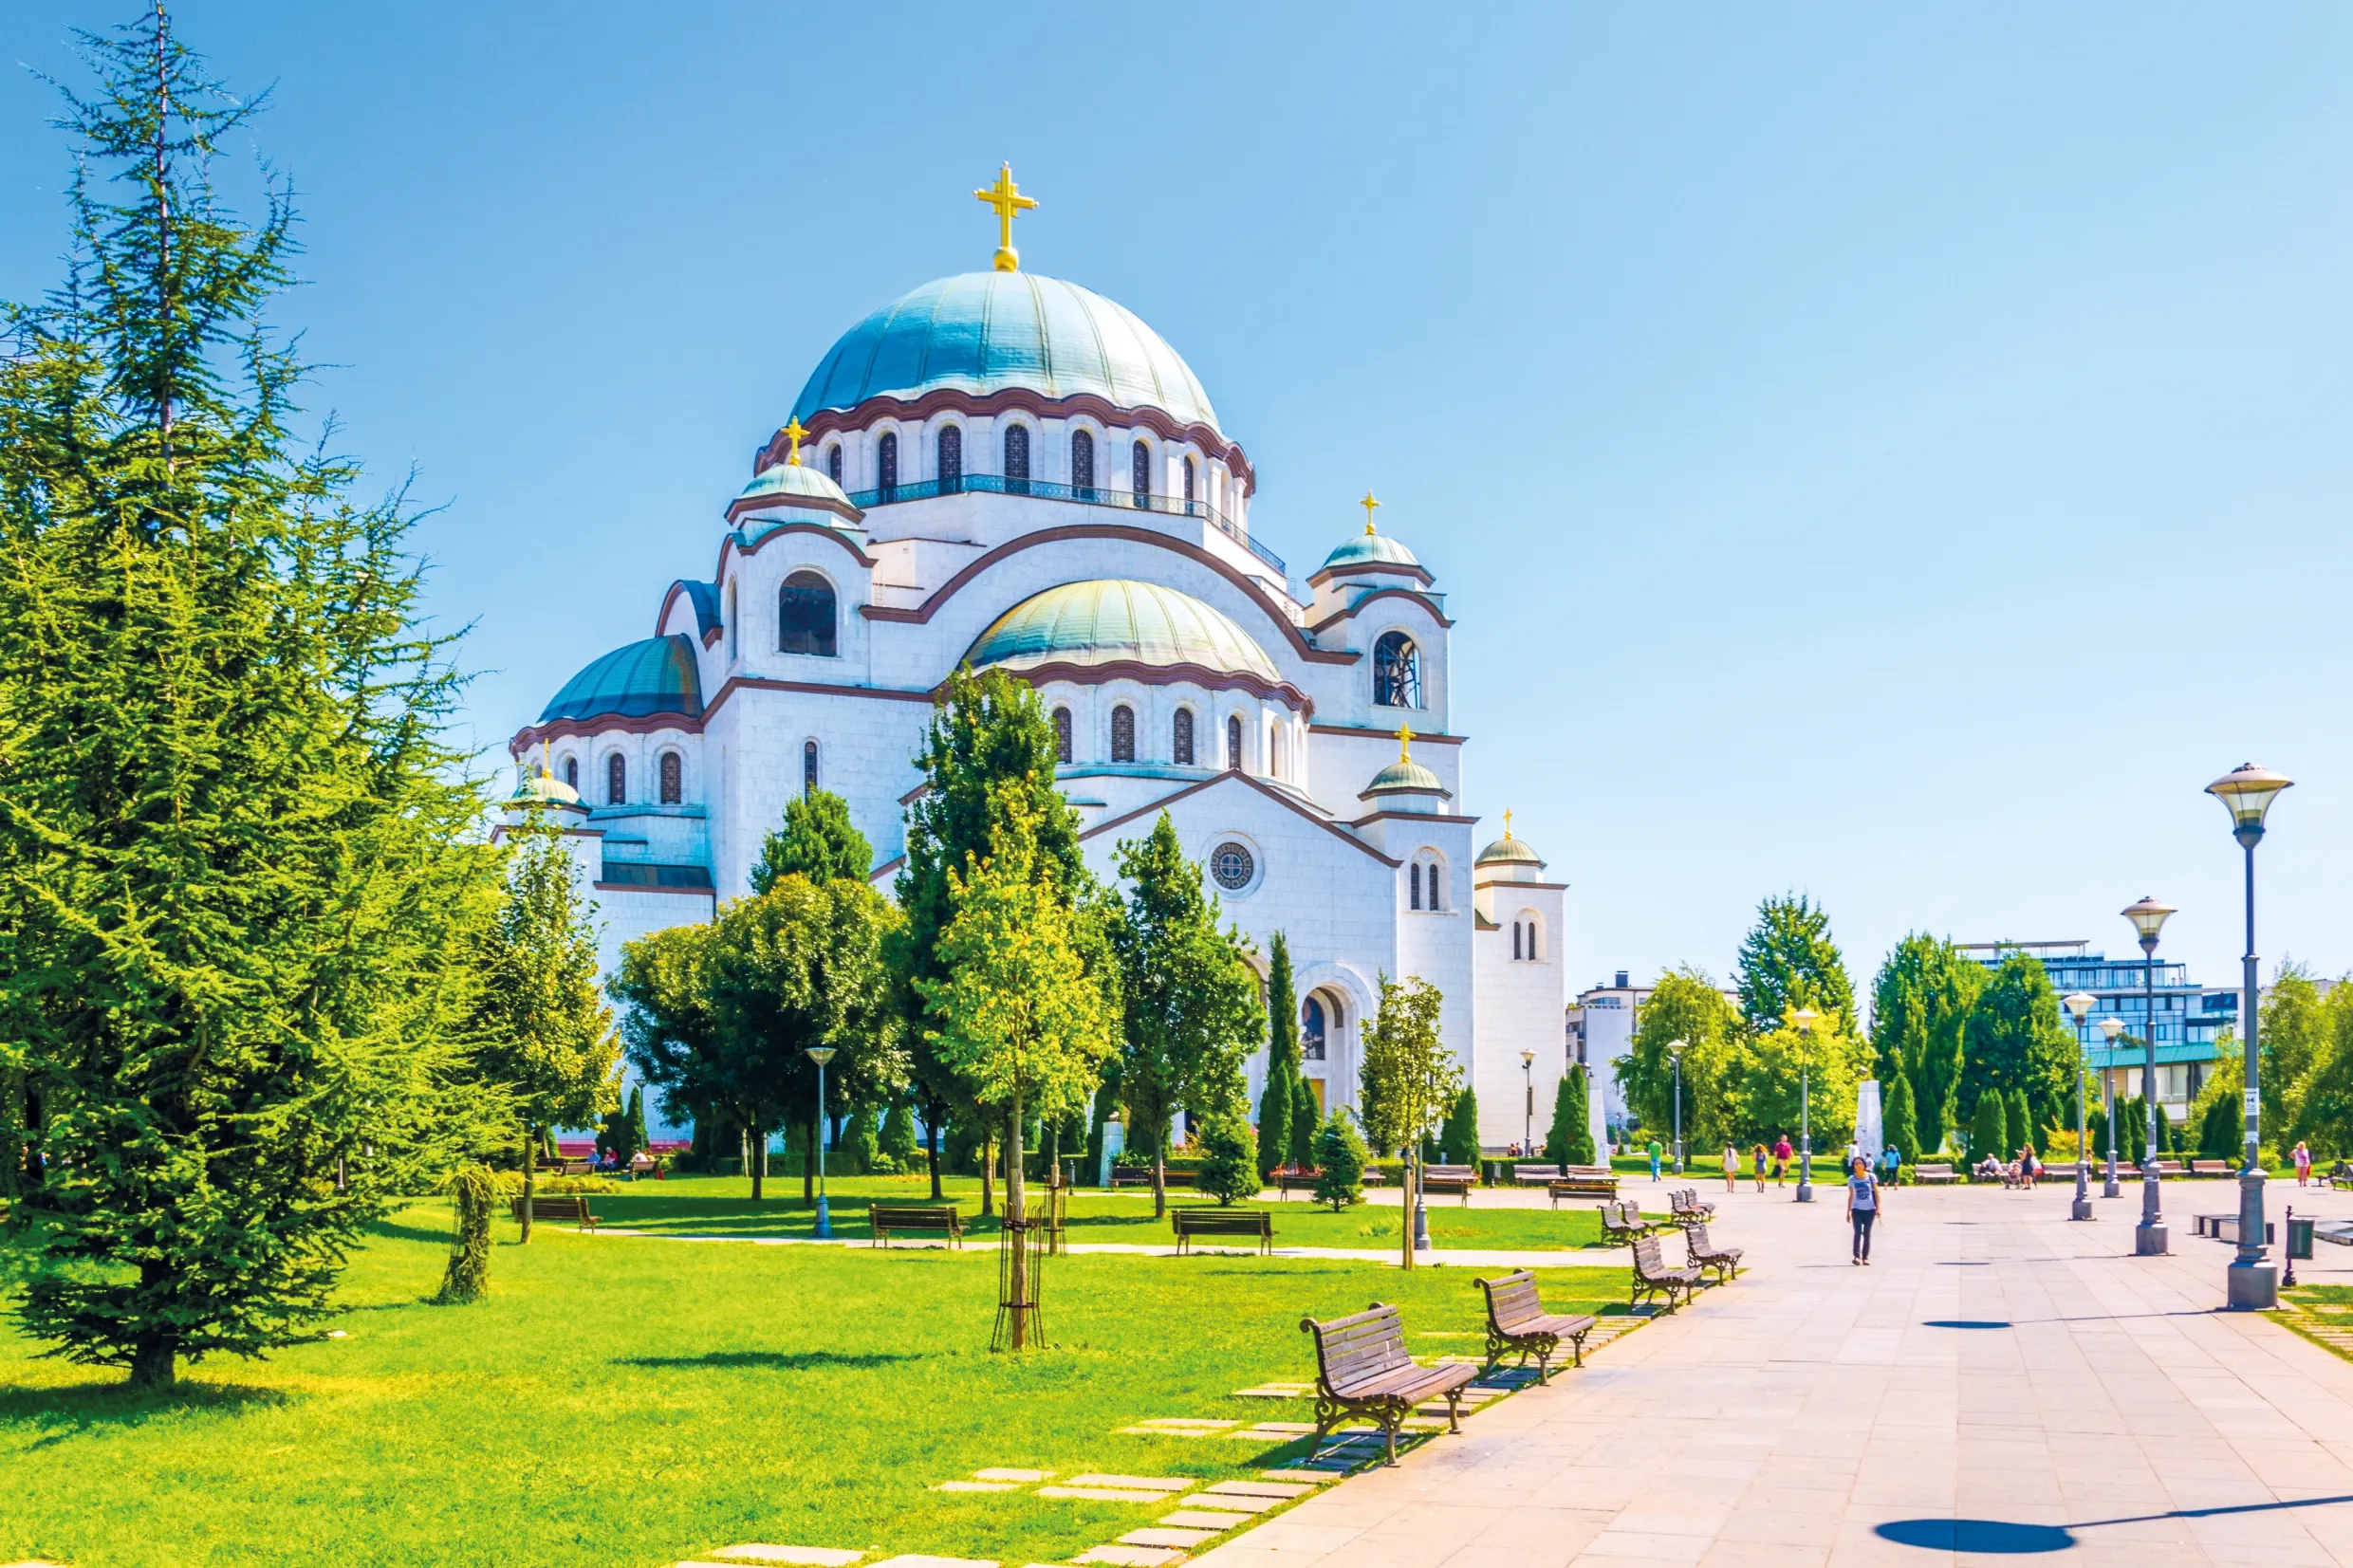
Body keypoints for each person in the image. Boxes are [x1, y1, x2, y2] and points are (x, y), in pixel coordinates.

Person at [1845, 1154, 1881, 1264]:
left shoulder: (1871, 1177)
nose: (1858, 1165)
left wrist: (1879, 1208)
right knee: (1857, 1233)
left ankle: (1865, 1257)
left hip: (1870, 1209)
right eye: (1856, 1164)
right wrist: (1848, 1211)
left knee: (1867, 1234)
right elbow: (1851, 1195)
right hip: (1857, 1209)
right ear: (1854, 1166)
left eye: (1860, 1163)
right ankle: (1856, 1256)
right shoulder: (1851, 1179)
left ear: (1864, 1165)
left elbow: (1877, 1193)